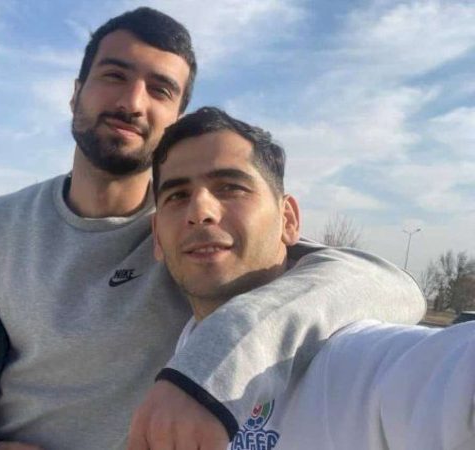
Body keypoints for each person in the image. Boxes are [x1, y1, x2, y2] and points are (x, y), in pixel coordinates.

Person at [0, 7, 425, 450]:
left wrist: (206, 369)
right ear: (76, 93)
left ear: (176, 118)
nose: (133, 103)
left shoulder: (191, 233)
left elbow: (384, 285)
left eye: (160, 89)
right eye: (114, 75)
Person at [143, 106, 474, 450]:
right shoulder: (167, 350)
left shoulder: (352, 361)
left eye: (230, 187)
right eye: (177, 195)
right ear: (157, 238)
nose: (200, 211)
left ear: (288, 220)